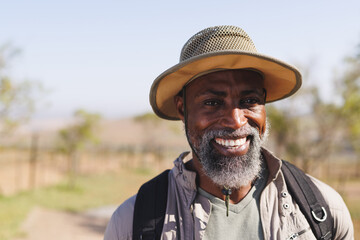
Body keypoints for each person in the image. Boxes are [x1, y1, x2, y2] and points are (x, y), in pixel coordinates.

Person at [104, 25, 354, 240]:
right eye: (212, 102)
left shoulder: (322, 211)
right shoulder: (134, 222)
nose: (236, 121)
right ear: (183, 109)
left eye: (249, 101)